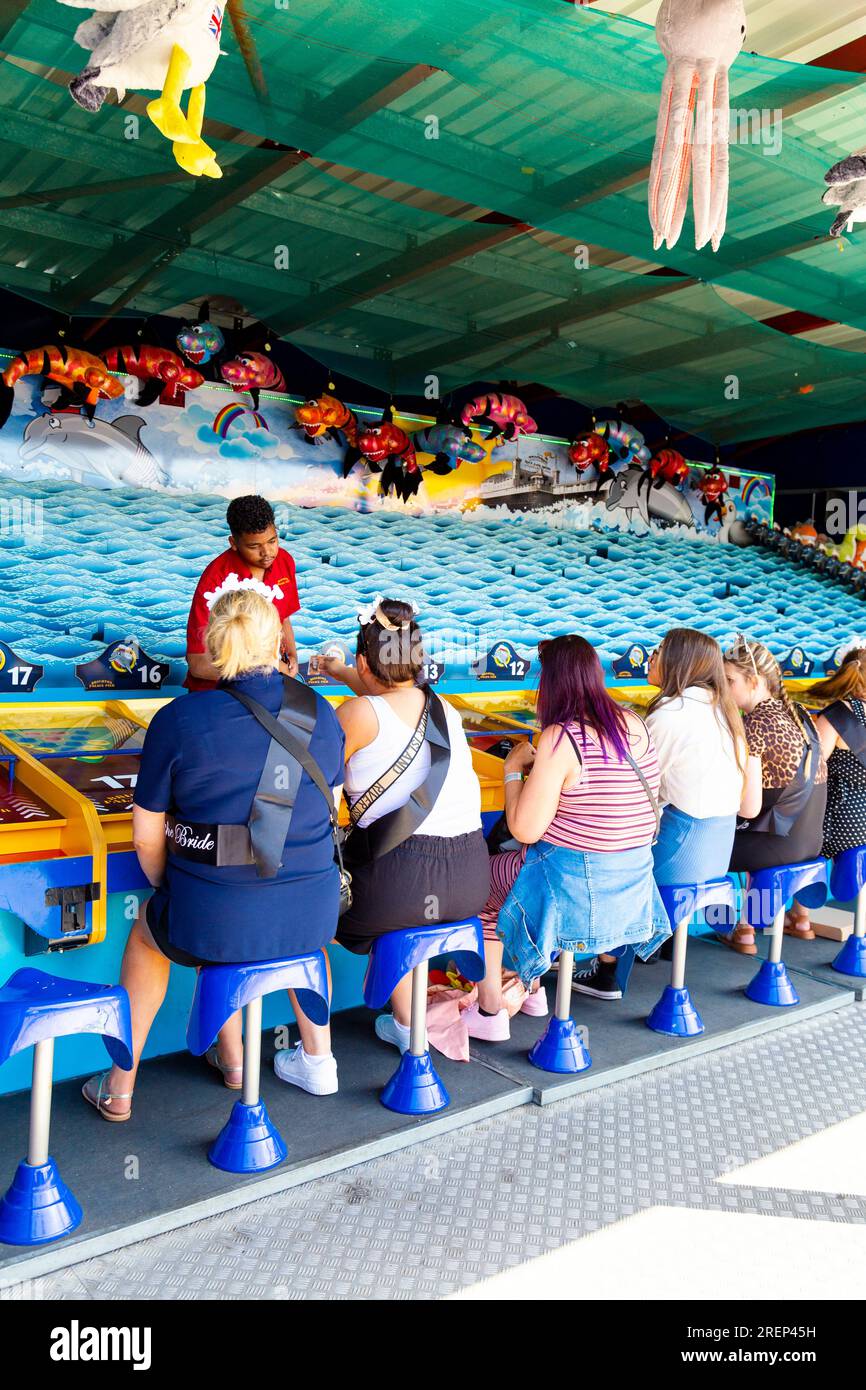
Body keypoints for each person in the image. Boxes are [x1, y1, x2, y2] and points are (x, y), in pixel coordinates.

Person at [81, 587, 344, 1120]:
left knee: (156, 934)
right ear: (277, 643)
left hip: (215, 914)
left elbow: (145, 837)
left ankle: (120, 1086)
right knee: (253, 920)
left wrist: (168, 884)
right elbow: (328, 813)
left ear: (213, 646)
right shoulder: (322, 711)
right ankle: (292, 1060)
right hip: (313, 916)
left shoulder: (180, 719)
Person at [274, 596, 491, 1088]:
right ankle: (406, 1025)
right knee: (392, 888)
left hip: (402, 883)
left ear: (366, 661)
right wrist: (343, 670)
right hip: (467, 878)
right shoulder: (445, 710)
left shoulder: (354, 714)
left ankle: (315, 1059)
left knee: (302, 915)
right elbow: (387, 697)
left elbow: (316, 796)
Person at [478, 634, 669, 1025]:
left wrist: (513, 768)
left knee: (479, 884)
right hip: (630, 889)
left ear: (551, 683)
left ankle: (490, 1009)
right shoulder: (634, 724)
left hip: (576, 891)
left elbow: (525, 829)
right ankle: (529, 990)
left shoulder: (561, 737)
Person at [722, 637, 827, 954]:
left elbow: (749, 809)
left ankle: (741, 928)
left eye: (729, 681)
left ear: (753, 681)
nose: (724, 690)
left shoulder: (753, 725)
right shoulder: (799, 714)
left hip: (777, 847)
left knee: (706, 841)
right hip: (810, 842)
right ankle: (747, 926)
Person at [646, 628, 751, 886]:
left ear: (678, 660)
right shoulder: (722, 711)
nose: (650, 657)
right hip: (716, 853)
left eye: (658, 651)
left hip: (680, 855)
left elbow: (639, 793)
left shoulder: (671, 714)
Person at [785, 645, 866, 935]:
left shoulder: (839, 714)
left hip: (839, 818)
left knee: (798, 831)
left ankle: (799, 916)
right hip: (863, 822)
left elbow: (813, 768)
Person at [185, 494, 299, 690]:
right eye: (254, 546)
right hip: (215, 693)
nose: (267, 553)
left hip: (268, 686)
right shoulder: (215, 578)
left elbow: (283, 618)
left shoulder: (284, 561)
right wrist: (269, 668)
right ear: (233, 543)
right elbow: (197, 664)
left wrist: (292, 657)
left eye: (272, 541)